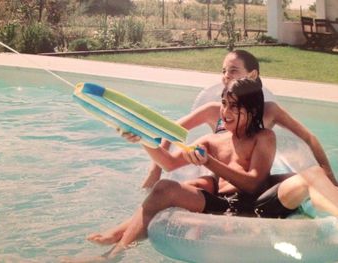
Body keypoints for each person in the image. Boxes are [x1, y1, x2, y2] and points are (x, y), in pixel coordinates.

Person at [88, 78, 277, 259]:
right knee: (168, 187)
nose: (225, 111)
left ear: (252, 110)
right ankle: (118, 237)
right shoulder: (213, 140)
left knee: (180, 186)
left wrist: (208, 162)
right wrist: (142, 140)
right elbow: (169, 163)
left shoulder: (264, 137)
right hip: (220, 201)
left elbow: (254, 184)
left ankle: (112, 256)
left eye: (234, 106)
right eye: (224, 103)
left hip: (244, 205)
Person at [130, 50, 336, 188]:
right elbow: (171, 130)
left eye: (233, 71)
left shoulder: (270, 110)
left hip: (254, 180)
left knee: (309, 182)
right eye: (224, 71)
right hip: (220, 180)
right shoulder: (213, 110)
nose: (226, 76)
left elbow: (309, 138)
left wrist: (330, 177)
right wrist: (154, 171)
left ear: (252, 74)